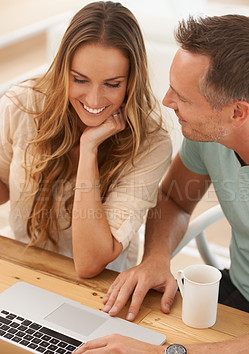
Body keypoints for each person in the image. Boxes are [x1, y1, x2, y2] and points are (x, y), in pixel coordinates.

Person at [60, 14, 249, 354]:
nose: (166, 101)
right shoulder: (209, 134)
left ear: (237, 112)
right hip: (238, 295)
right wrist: (156, 257)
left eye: (182, 97)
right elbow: (173, 197)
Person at [0, 1, 172, 277]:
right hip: (23, 267)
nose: (93, 100)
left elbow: (89, 263)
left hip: (99, 289)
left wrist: (89, 148)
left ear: (131, 81)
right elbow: (4, 187)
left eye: (112, 84)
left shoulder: (152, 144)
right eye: (79, 80)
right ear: (62, 71)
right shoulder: (22, 105)